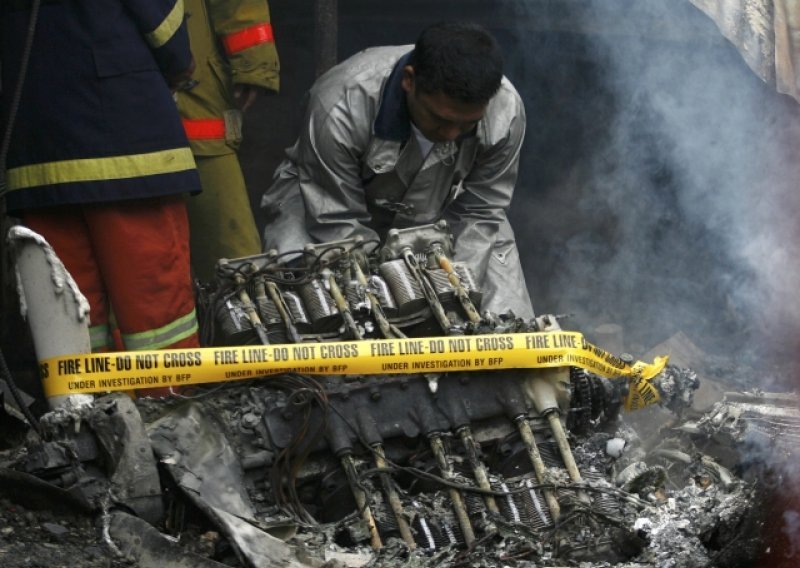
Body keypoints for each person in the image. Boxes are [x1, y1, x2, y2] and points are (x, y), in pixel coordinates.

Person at [261, 22, 534, 318]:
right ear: (409, 80)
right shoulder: (341, 105)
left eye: (466, 124)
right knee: (321, 316)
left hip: (445, 217)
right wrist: (393, 287)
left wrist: (454, 286)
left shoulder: (505, 111)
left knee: (507, 329)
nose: (452, 134)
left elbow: (482, 211)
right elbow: (335, 218)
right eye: (440, 119)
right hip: (324, 207)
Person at [1, 0, 202, 357]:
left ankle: (85, 408)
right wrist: (180, 63)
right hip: (125, 150)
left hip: (37, 152)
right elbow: (166, 30)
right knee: (155, 310)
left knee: (70, 316)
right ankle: (170, 403)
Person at [177, 0, 280, 282]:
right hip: (124, 102)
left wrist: (253, 64)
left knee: (234, 261)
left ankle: (247, 318)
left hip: (196, 103)